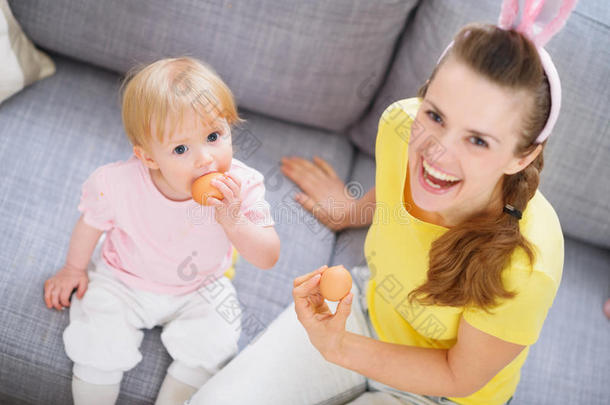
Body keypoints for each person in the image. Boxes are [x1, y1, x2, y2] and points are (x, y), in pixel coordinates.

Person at [187, 1, 576, 404]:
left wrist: (337, 347)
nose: (436, 152)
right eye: (437, 117)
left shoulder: (529, 264)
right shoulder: (401, 126)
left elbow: (459, 375)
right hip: (369, 313)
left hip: (439, 393)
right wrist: (350, 210)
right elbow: (396, 184)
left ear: (522, 156)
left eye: (477, 140)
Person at [42, 57, 280, 405]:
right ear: (149, 158)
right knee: (96, 339)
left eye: (214, 136)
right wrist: (74, 268)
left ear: (229, 126)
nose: (205, 159)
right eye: (181, 148)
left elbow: (268, 255)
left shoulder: (242, 186)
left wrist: (232, 219)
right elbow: (91, 223)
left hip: (200, 285)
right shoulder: (116, 184)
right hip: (124, 279)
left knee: (216, 340)